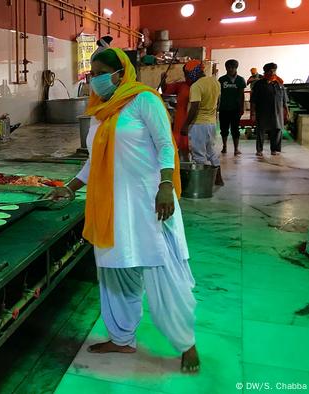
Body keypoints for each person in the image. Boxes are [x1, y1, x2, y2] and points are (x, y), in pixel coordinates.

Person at [49, 48, 199, 373]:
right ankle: (121, 337)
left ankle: (187, 343)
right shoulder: (101, 111)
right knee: (116, 272)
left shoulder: (144, 100)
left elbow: (164, 144)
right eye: (92, 72)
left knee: (164, 270)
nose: (95, 78)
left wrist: (165, 186)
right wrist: (70, 188)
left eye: (101, 71)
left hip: (149, 204)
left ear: (120, 73)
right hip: (112, 207)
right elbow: (94, 160)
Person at [181, 60, 224, 185]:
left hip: (199, 124)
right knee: (211, 151)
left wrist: (185, 125)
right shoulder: (215, 82)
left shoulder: (196, 86)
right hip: (211, 123)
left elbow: (194, 107)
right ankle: (218, 178)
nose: (186, 77)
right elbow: (218, 102)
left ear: (193, 72)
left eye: (187, 74)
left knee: (198, 154)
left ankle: (201, 183)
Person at [250, 63, 288, 156]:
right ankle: (259, 150)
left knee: (277, 129)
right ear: (265, 72)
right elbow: (253, 100)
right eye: (270, 71)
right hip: (263, 111)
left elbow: (284, 99)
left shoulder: (279, 83)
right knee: (261, 131)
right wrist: (253, 113)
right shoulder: (259, 84)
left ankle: (274, 149)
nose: (272, 73)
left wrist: (286, 111)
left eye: (274, 71)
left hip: (277, 111)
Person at [160, 73, 191, 160]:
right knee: (179, 148)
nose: (187, 77)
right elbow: (165, 89)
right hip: (180, 122)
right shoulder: (182, 85)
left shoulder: (199, 86)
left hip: (193, 122)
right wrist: (163, 79)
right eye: (186, 74)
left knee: (192, 150)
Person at [218, 59, 246, 155]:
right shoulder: (221, 80)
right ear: (226, 68)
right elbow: (218, 94)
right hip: (224, 108)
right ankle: (224, 146)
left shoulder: (240, 80)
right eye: (228, 67)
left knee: (235, 129)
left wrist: (242, 108)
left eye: (232, 67)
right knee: (224, 129)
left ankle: (236, 149)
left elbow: (242, 95)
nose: (230, 69)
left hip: (236, 109)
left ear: (236, 68)